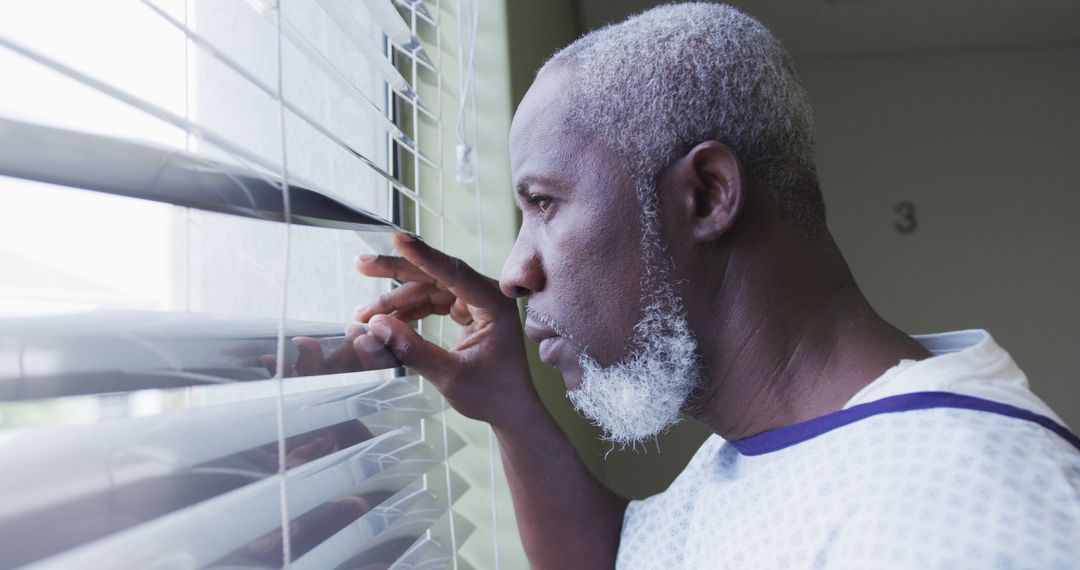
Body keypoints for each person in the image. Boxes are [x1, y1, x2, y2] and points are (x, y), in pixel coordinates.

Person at [347, 3, 1080, 568]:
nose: (514, 272)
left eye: (544, 203)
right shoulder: (783, 447)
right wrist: (511, 405)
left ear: (704, 195)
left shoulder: (954, 507)